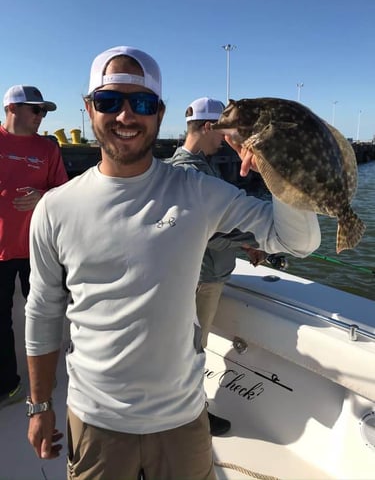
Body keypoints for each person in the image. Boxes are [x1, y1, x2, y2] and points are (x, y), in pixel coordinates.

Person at [25, 45, 321, 480]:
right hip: (95, 420)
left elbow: (297, 241)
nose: (126, 116)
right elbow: (43, 311)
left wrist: (282, 170)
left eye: (141, 103)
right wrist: (39, 406)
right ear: (89, 109)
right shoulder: (55, 208)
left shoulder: (196, 191)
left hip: (182, 420)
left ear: (159, 113)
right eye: (110, 101)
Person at [170, 97, 267, 436]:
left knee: (190, 348)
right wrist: (250, 242)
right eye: (226, 132)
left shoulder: (195, 166)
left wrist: (243, 242)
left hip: (205, 274)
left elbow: (210, 226)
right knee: (193, 350)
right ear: (209, 126)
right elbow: (205, 236)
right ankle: (194, 417)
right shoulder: (191, 172)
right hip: (202, 279)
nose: (229, 139)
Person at [0, 85, 68, 409]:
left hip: (38, 250)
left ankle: (44, 375)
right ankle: (8, 385)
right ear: (12, 108)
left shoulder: (48, 149)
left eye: (44, 112)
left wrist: (43, 197)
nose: (42, 117)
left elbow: (65, 195)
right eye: (36, 110)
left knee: (44, 314)